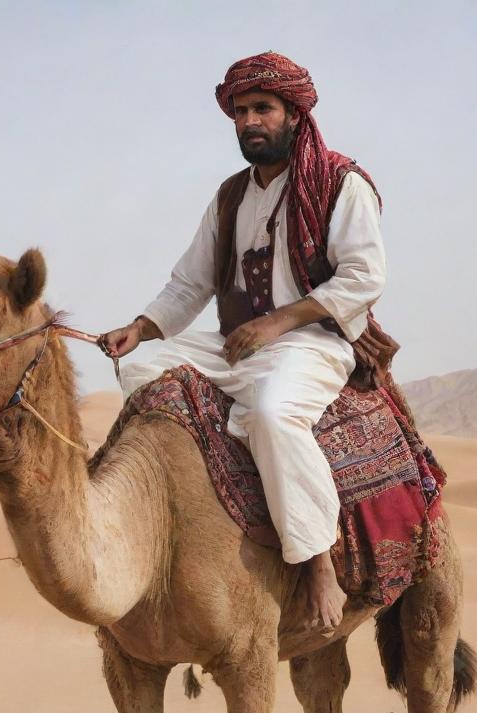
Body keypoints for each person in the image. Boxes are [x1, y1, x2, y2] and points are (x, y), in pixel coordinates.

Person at [100, 52, 387, 632]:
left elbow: (364, 277)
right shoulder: (231, 196)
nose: (250, 121)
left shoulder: (340, 181)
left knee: (272, 414)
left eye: (263, 108)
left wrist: (278, 323)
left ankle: (315, 563)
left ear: (293, 115)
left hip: (314, 342)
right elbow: (191, 283)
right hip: (240, 344)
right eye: (240, 111)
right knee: (142, 370)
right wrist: (142, 327)